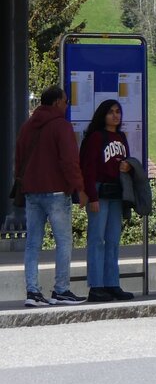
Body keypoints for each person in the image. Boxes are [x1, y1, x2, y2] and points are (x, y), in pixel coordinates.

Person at [14, 85, 88, 307]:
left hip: (31, 191)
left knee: (32, 243)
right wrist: (79, 188)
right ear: (57, 102)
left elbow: (18, 159)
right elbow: (69, 161)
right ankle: (61, 290)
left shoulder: (28, 126)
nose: (67, 105)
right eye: (66, 101)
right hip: (56, 191)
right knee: (63, 242)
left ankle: (33, 292)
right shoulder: (61, 126)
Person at [78, 99, 133, 302]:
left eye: (118, 112)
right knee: (97, 240)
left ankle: (112, 283)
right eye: (110, 112)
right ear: (103, 115)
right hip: (99, 192)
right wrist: (92, 196)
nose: (115, 115)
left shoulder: (121, 136)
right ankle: (96, 286)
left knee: (113, 241)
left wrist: (127, 166)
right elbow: (88, 168)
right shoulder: (96, 137)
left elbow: (125, 162)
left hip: (117, 192)